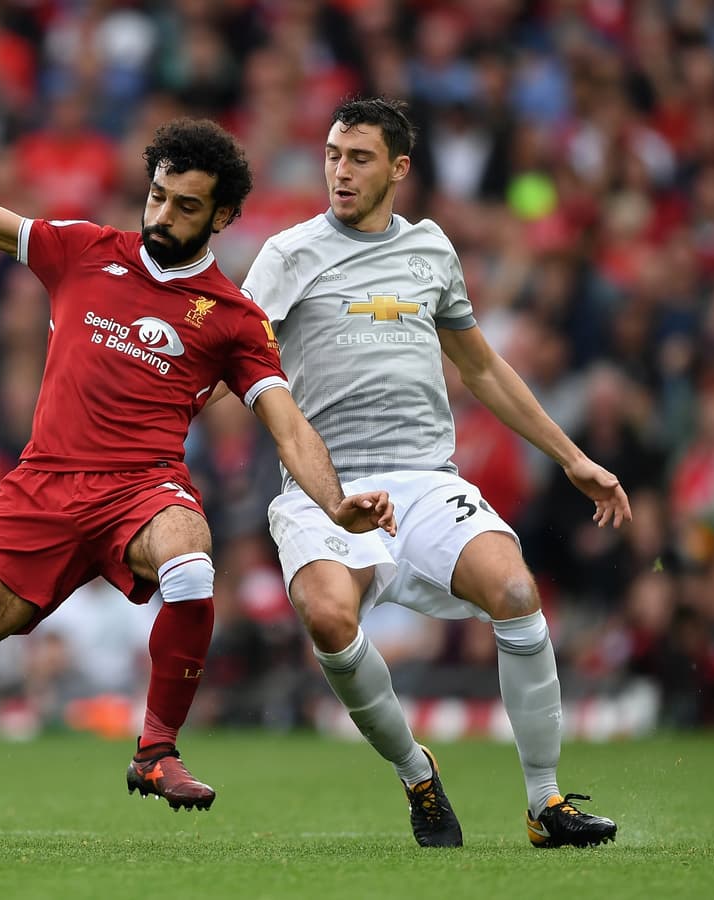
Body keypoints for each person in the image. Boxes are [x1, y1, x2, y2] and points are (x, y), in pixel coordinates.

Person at [0, 101, 396, 846]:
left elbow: (288, 423)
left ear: (223, 216)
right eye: (157, 196)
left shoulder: (233, 317)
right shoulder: (81, 249)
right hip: (43, 484)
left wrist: (335, 504)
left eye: (186, 206)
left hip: (142, 487)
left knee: (190, 559)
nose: (163, 215)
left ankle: (156, 750)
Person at [240, 97, 631, 849]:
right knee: (330, 619)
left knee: (515, 592)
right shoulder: (288, 255)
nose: (340, 171)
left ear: (399, 168)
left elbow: (481, 367)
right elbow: (233, 352)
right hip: (328, 486)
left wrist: (572, 456)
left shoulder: (431, 250)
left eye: (359, 158)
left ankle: (546, 804)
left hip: (424, 478)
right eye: (332, 155)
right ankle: (417, 773)